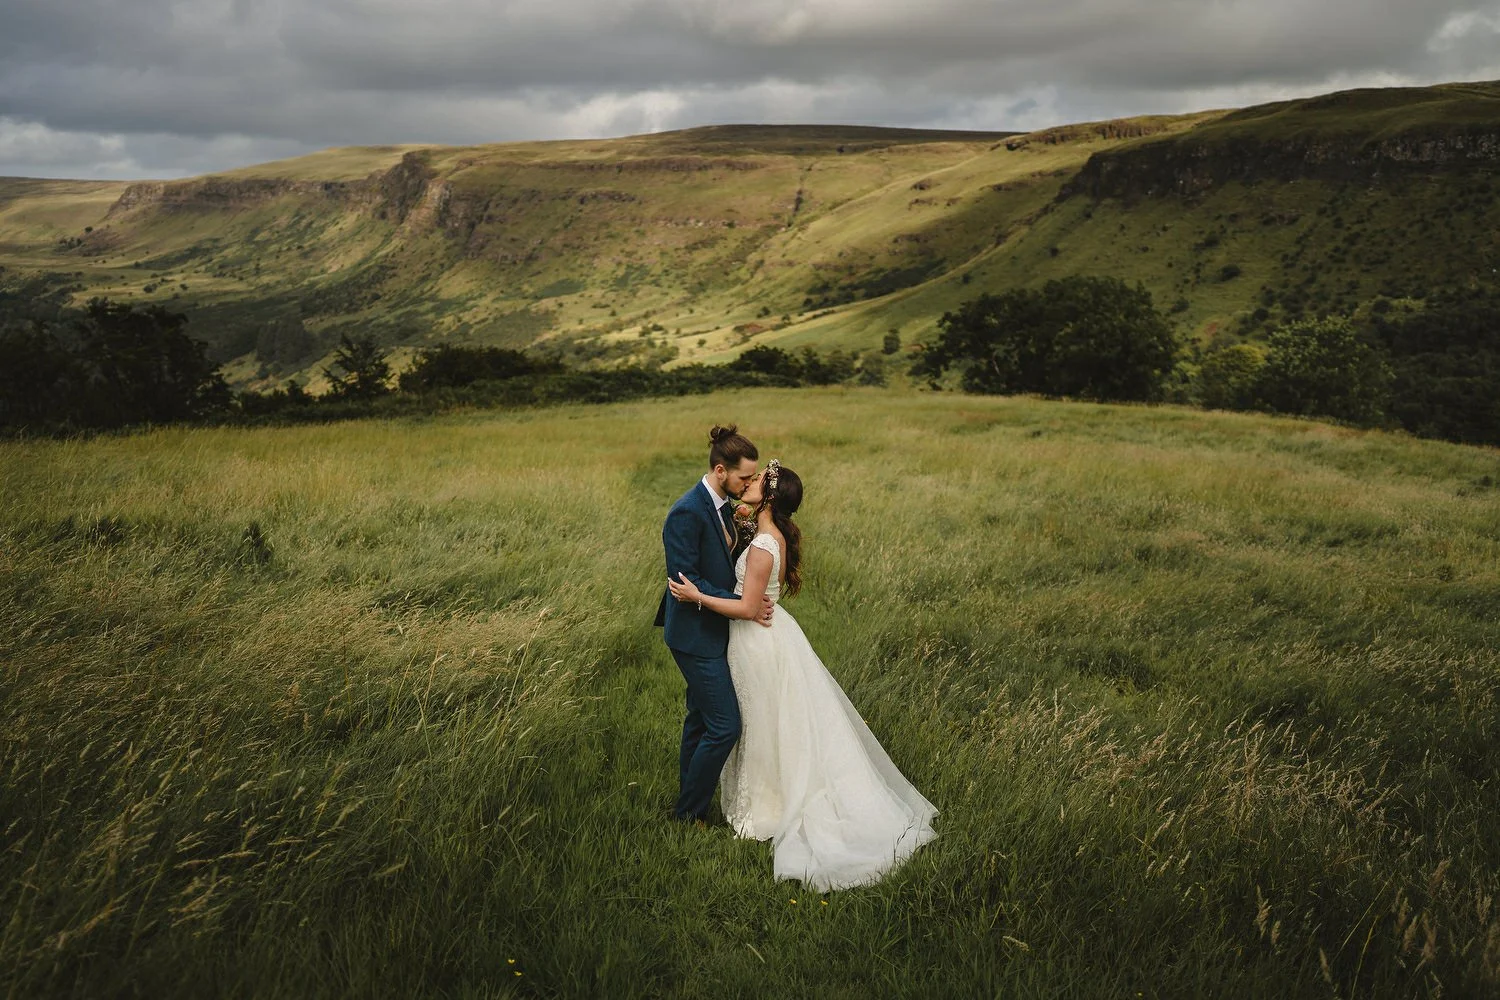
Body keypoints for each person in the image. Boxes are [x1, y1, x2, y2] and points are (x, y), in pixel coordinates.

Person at [667, 460, 938, 890]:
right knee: (766, 722)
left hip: (755, 641)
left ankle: (765, 804)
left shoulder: (763, 547)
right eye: (749, 477)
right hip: (765, 638)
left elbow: (747, 607)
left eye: (757, 481)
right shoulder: (765, 535)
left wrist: (697, 594)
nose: (750, 483)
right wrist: (742, 521)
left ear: (770, 498)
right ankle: (734, 797)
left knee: (756, 723)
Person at [654, 425, 774, 825]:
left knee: (700, 720)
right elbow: (685, 579)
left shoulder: (726, 506)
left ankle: (686, 806)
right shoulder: (687, 512)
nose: (748, 484)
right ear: (721, 470)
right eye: (743, 477)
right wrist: (744, 604)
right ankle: (690, 813)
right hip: (694, 634)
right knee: (725, 726)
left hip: (717, 627)